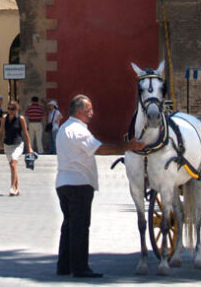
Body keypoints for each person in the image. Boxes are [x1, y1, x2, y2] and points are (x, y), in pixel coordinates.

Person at [55, 94, 144, 278]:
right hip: (79, 183)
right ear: (79, 111)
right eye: (89, 109)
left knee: (69, 225)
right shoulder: (78, 131)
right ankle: (80, 268)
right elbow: (100, 149)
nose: (92, 113)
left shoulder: (64, 128)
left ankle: (64, 265)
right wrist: (128, 146)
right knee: (80, 227)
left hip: (63, 182)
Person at [0, 100, 33, 196]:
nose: (10, 111)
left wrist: (29, 147)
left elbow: (25, 133)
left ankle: (12, 187)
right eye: (8, 108)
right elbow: (1, 131)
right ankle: (18, 188)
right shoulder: (4, 118)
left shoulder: (21, 119)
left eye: (12, 109)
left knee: (13, 164)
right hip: (7, 144)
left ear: (17, 109)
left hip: (18, 144)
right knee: (13, 167)